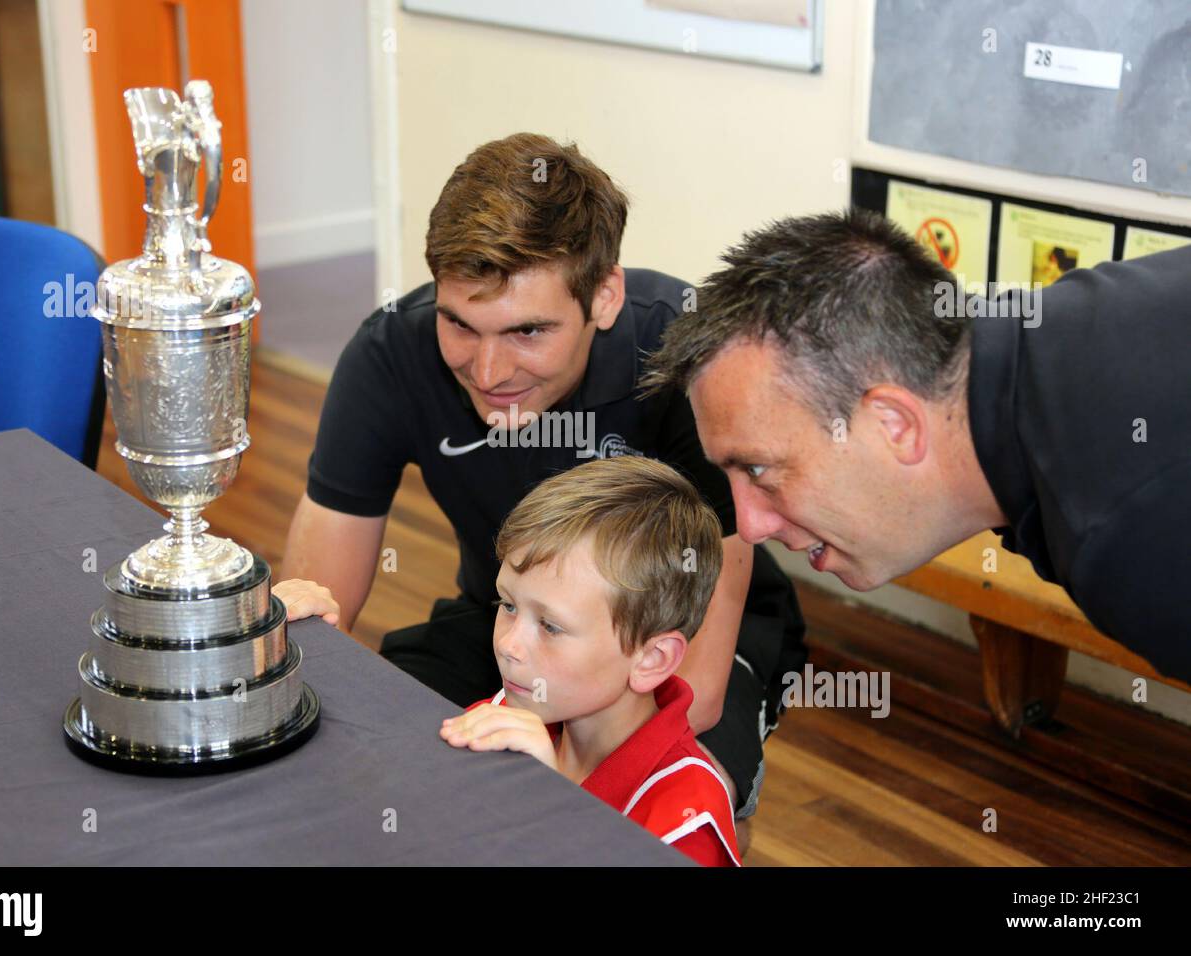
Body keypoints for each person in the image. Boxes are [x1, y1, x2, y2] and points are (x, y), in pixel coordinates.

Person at [275, 133, 807, 834]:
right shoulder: (388, 356)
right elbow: (314, 623)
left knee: (670, 808)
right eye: (460, 324)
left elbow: (695, 688)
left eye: (527, 332)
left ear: (605, 297)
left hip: (672, 637)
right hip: (512, 615)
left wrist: (545, 763)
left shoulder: (692, 358)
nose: (489, 372)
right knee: (390, 748)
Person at [641, 207, 1191, 681]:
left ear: (894, 424)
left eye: (759, 470)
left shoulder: (1125, 532)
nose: (751, 525)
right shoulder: (1055, 340)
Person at [440, 455, 740, 867]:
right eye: (507, 604)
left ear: (652, 659)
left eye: (551, 626)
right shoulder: (510, 715)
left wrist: (549, 808)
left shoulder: (685, 825)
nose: (510, 645)